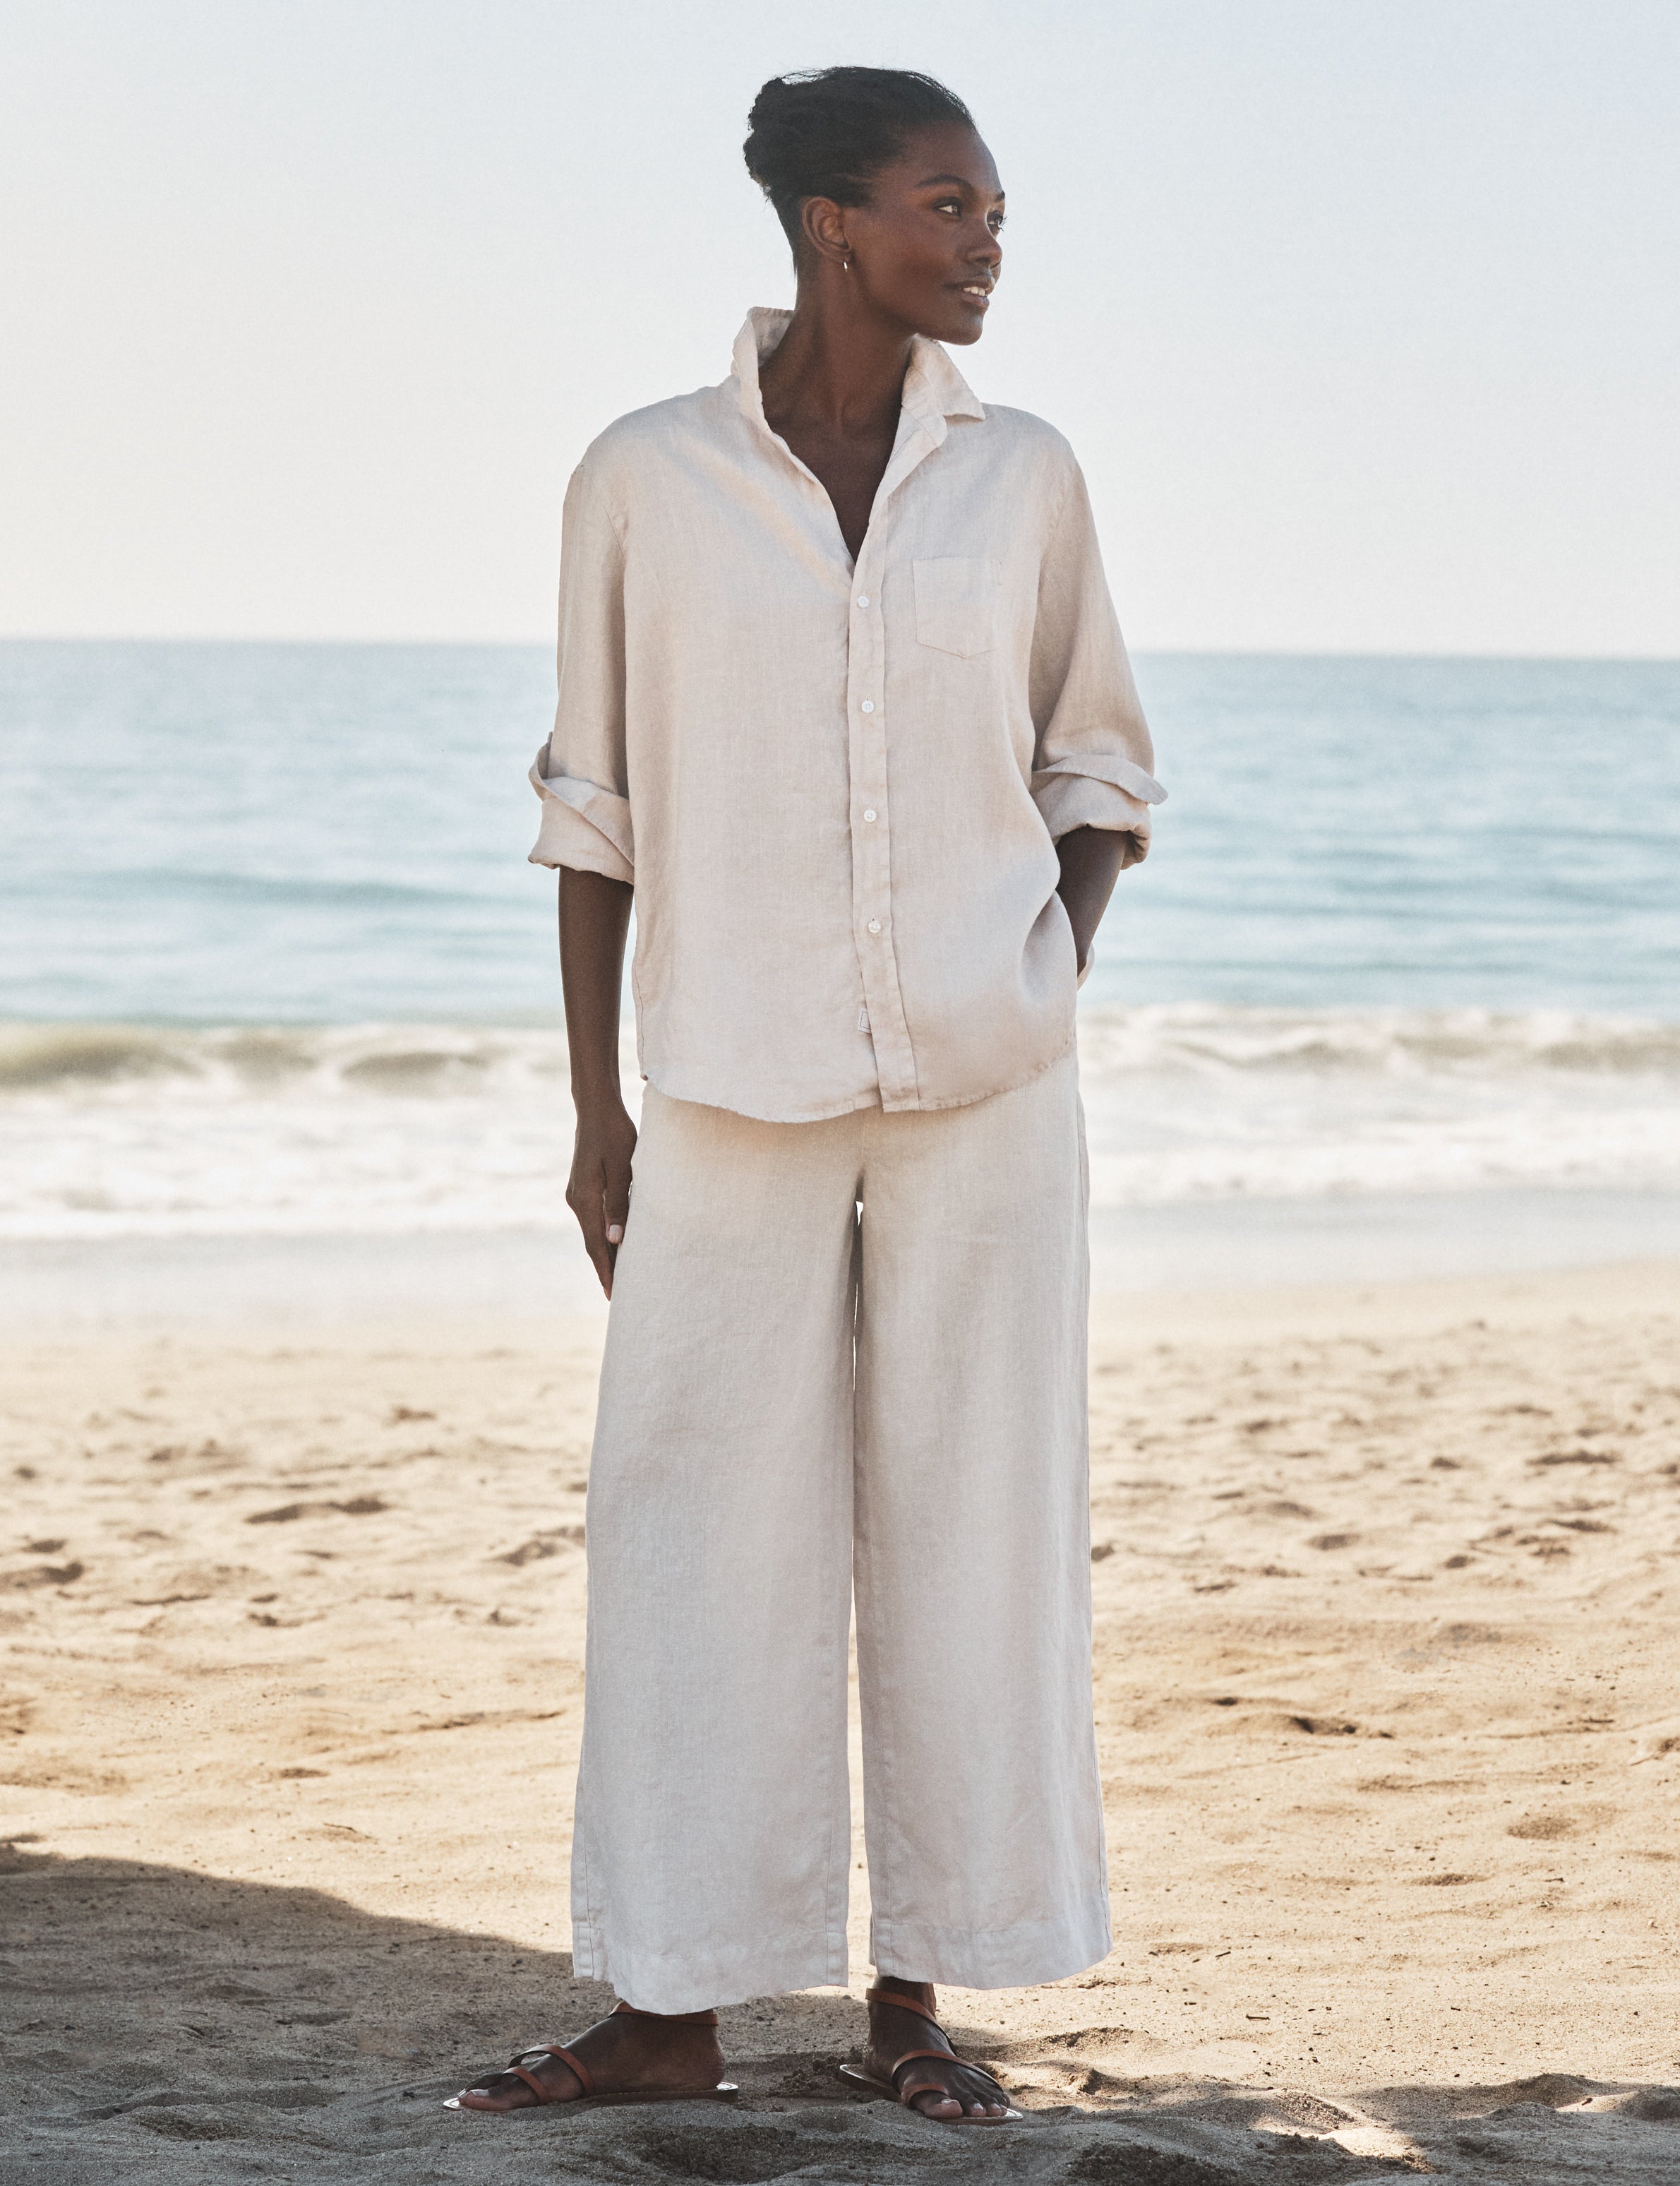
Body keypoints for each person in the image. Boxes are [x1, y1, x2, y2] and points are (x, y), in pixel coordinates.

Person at [452, 64, 1163, 2126]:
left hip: (986, 1092)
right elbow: (591, 815)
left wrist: (1035, 971)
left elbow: (1096, 768)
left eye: (997, 209)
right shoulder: (644, 478)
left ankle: (915, 2004)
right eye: (951, 205)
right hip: (730, 1087)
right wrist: (595, 1117)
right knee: (690, 1534)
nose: (988, 242)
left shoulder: (1021, 474)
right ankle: (665, 2010)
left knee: (967, 1521)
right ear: (832, 224)